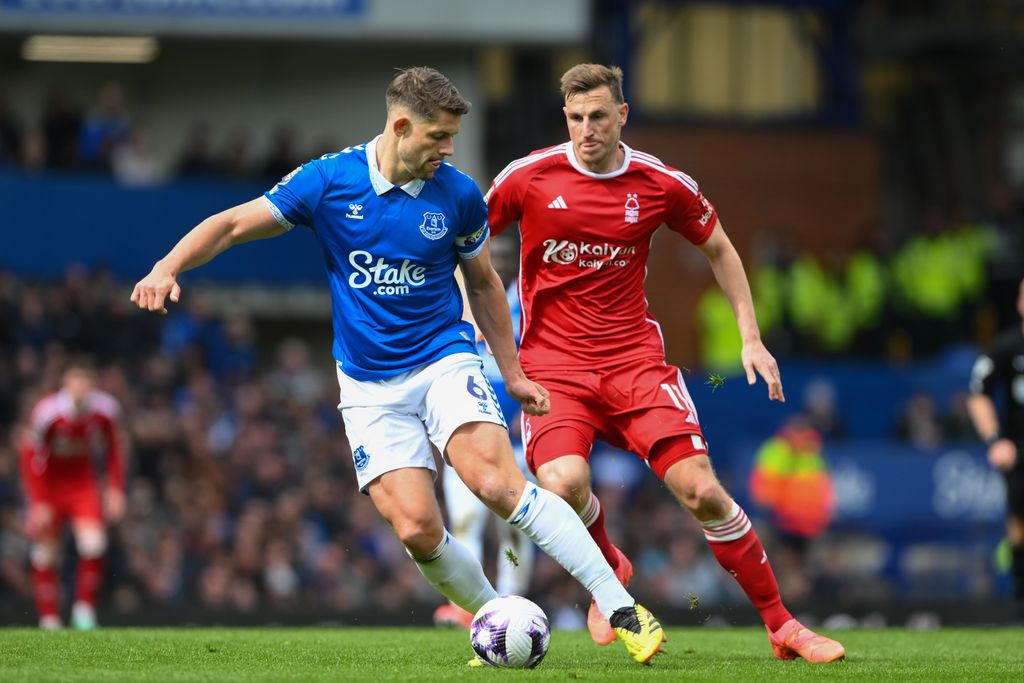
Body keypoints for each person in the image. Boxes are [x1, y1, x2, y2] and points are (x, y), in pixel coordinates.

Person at [130, 67, 664, 665]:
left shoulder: (458, 195)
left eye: (453, 138)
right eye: (438, 137)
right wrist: (166, 266)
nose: (449, 150)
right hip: (366, 384)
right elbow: (230, 225)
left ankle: (620, 607)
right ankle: (495, 618)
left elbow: (485, 285)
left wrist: (511, 373)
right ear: (401, 126)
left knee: (494, 482)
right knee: (416, 528)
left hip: (443, 358)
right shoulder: (328, 181)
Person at [485, 63, 845, 663]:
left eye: (598, 117)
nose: (586, 130)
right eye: (575, 118)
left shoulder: (659, 183)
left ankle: (783, 626)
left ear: (622, 115)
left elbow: (721, 249)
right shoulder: (527, 178)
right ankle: (608, 566)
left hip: (634, 364)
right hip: (553, 365)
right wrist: (471, 317)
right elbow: (465, 244)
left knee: (702, 491)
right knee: (561, 482)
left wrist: (750, 339)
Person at [435, 233, 536, 629]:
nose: (504, 261)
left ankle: (514, 601)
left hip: (518, 437)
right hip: (468, 429)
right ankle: (463, 606)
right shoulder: (460, 302)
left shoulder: (530, 305)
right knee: (466, 520)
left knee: (515, 525)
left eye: (511, 255)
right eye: (497, 254)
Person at [19, 358, 126, 629]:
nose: (79, 389)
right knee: (45, 553)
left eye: (85, 383)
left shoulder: (106, 410)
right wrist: (38, 499)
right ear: (66, 384)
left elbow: (115, 449)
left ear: (92, 385)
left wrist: (115, 488)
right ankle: (49, 618)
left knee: (94, 543)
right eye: (74, 383)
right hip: (50, 486)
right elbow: (30, 453)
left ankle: (84, 612)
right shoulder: (47, 412)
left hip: (82, 485)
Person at [968, 277, 1024, 619]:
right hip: (1019, 449)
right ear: (1019, 304)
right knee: (1019, 523)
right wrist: (994, 440)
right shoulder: (1007, 347)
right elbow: (979, 394)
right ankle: (1020, 599)